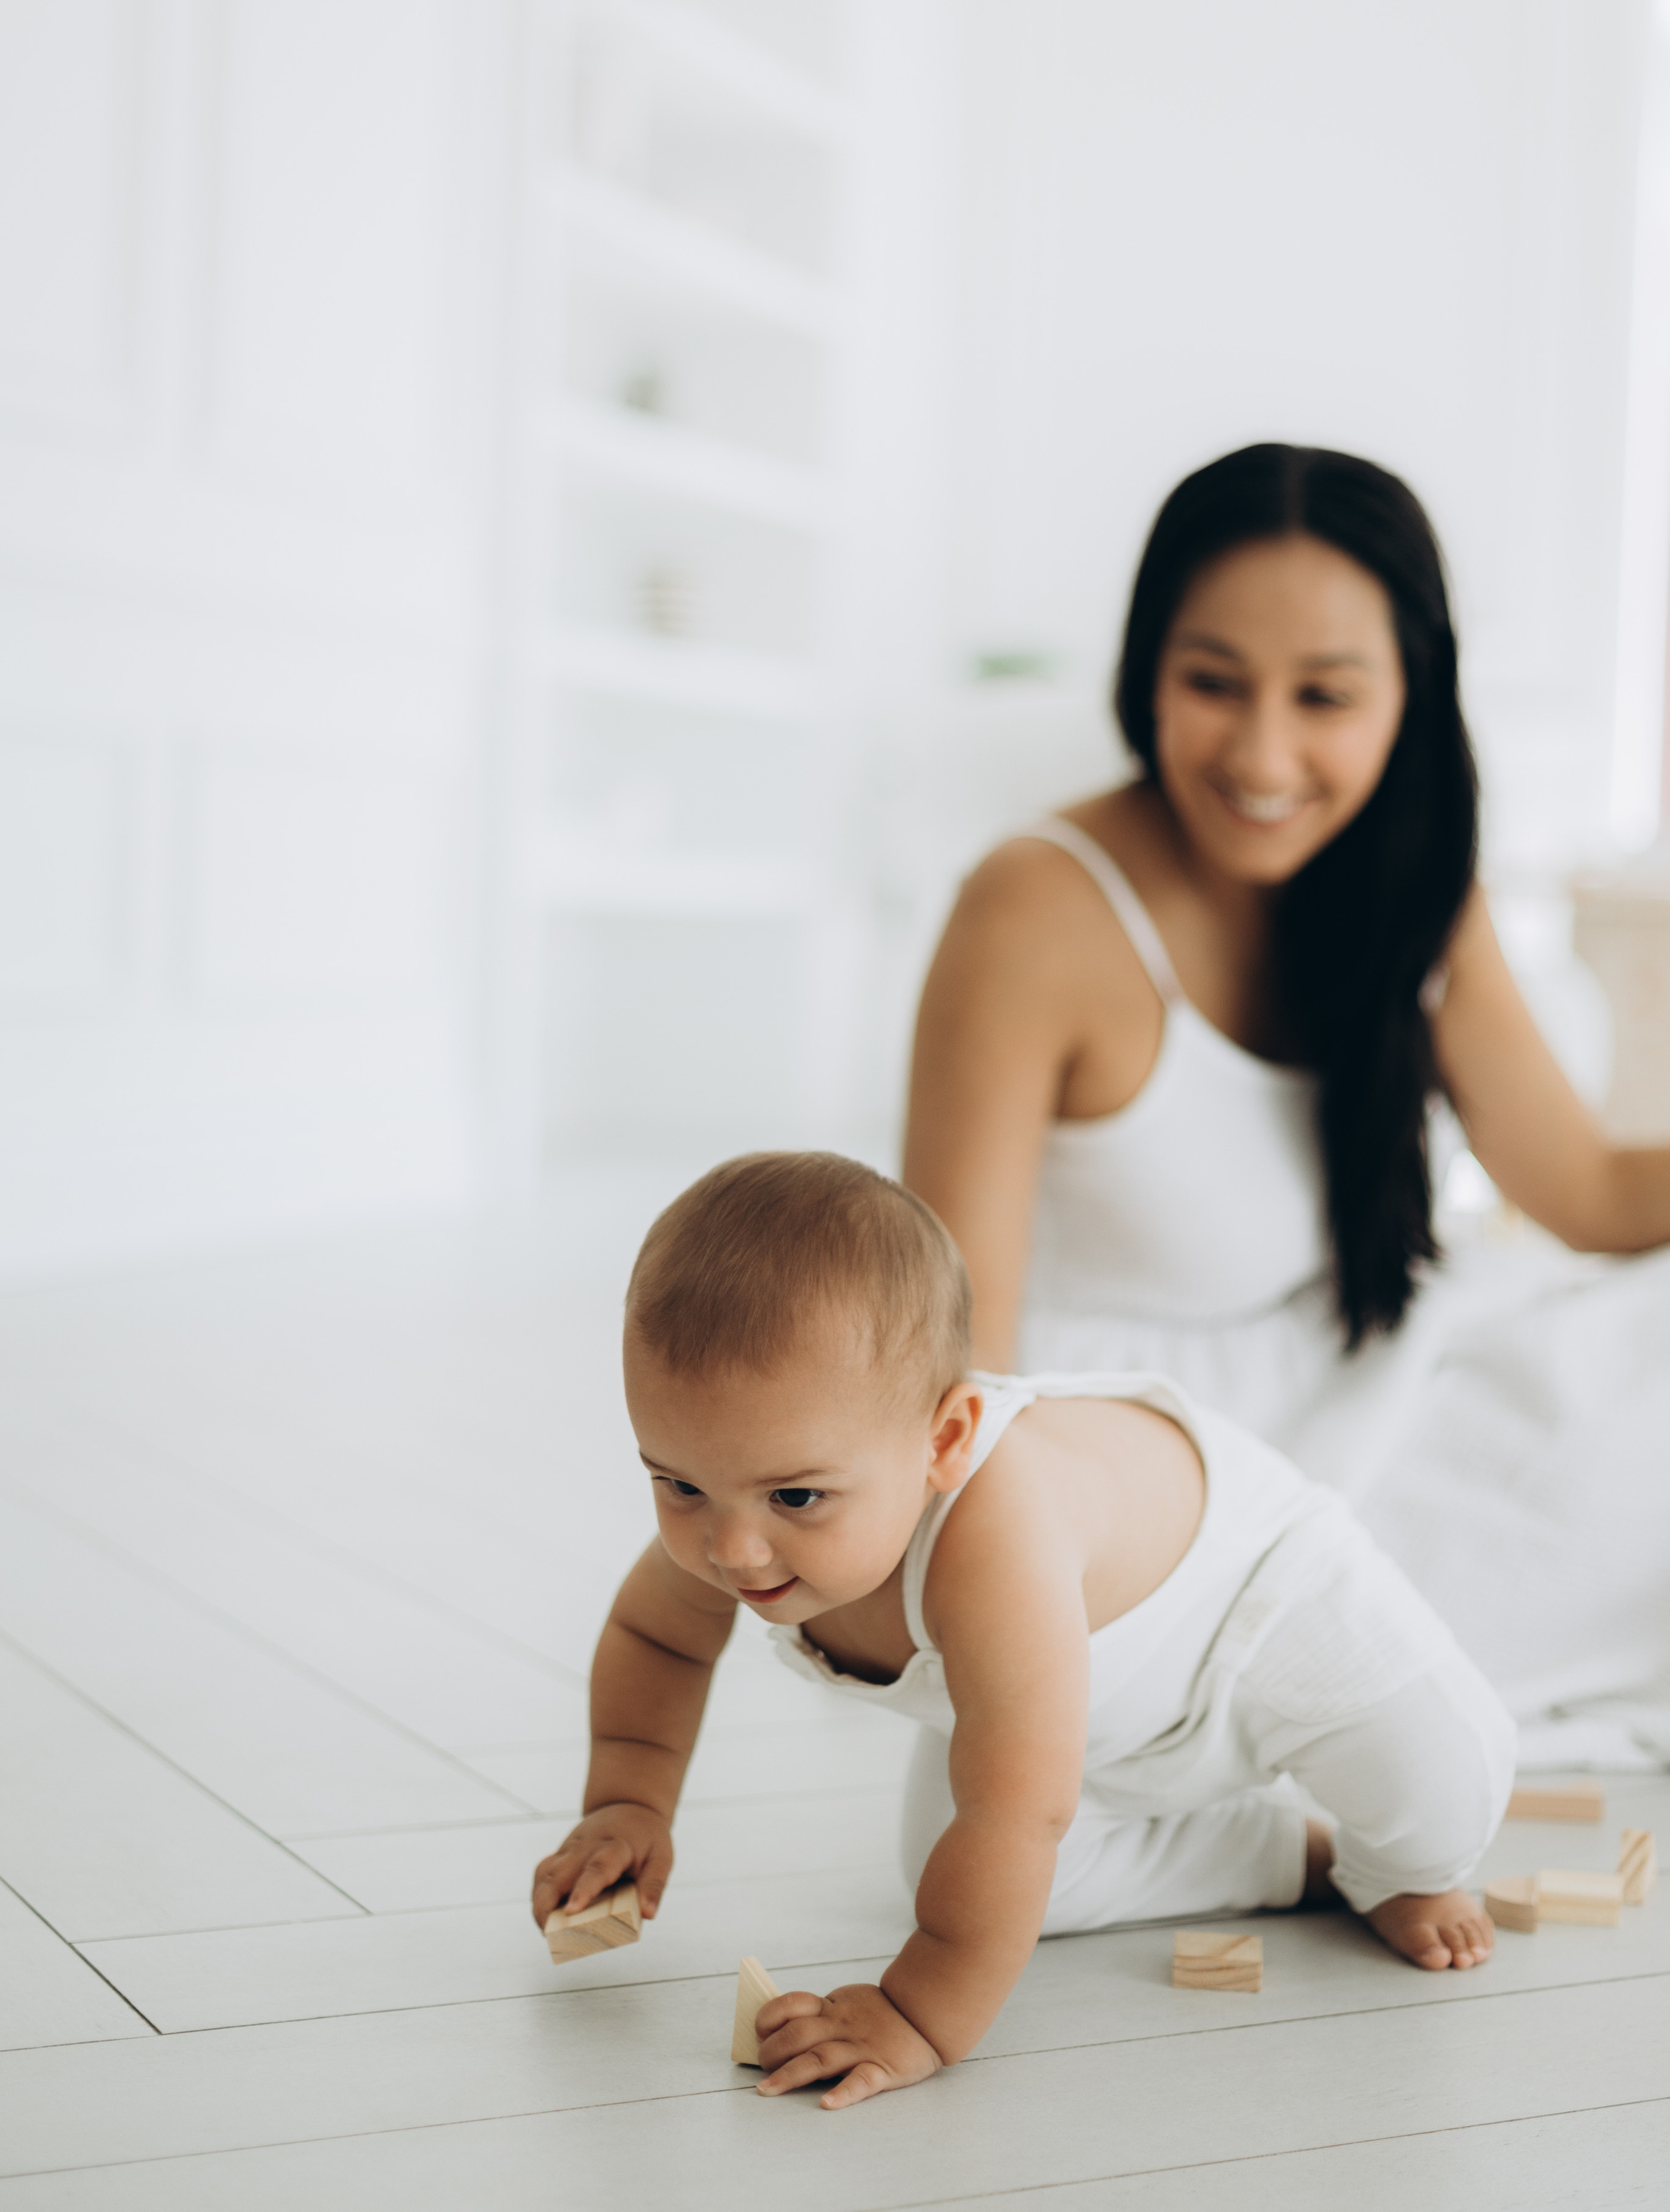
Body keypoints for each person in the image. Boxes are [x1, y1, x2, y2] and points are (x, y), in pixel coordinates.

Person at [904, 442, 1670, 1766]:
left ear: (1406, 700)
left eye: (1323, 696)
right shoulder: (1031, 908)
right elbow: (948, 1362)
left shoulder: (1417, 883)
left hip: (1382, 1408)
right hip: (1158, 1511)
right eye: (1211, 683)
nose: (1262, 753)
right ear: (1145, 668)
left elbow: (1591, 1196)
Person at [532, 1151, 1514, 2110]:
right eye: (678, 1483)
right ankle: (1285, 1856)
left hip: (1256, 1605)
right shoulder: (739, 1519)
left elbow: (1015, 1812)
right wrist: (628, 1804)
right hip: (1077, 1701)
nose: (733, 1549)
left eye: (795, 1495)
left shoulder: (997, 1537)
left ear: (946, 1441)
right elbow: (658, 1641)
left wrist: (919, 2013)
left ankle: (1400, 1870)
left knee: (1443, 1789)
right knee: (976, 1880)